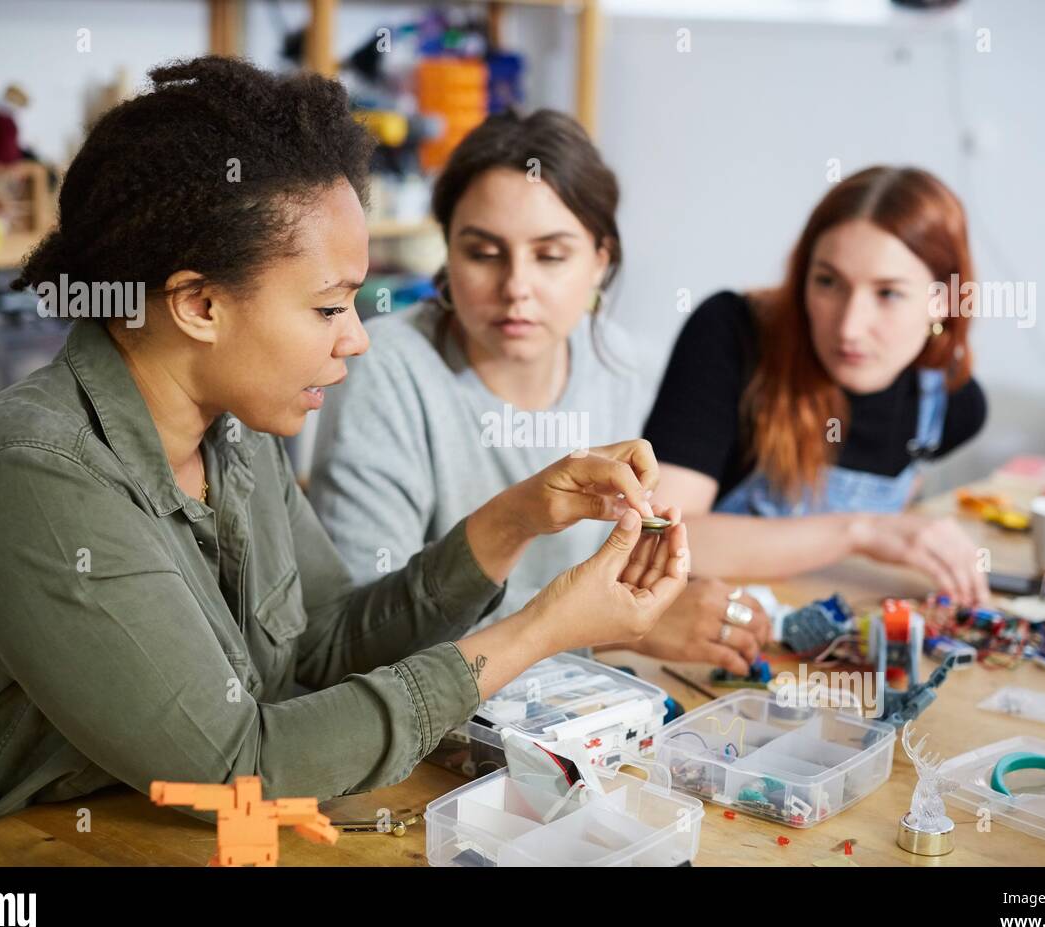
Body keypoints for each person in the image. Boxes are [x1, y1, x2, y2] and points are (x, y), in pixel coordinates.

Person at [0, 59, 688, 854]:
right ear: (199, 304)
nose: (357, 336)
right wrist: (545, 627)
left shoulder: (233, 428)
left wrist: (518, 517)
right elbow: (239, 767)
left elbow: (327, 643)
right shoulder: (34, 475)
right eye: (329, 306)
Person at [308, 110, 771, 679]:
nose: (516, 289)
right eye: (482, 253)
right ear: (446, 253)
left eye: (551, 256)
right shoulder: (382, 371)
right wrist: (617, 637)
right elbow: (365, 639)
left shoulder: (632, 369)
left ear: (600, 262)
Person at [644, 166, 990, 604]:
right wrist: (860, 531)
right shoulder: (729, 333)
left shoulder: (953, 406)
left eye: (887, 293)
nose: (849, 327)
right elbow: (659, 536)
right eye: (828, 282)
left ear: (941, 301)